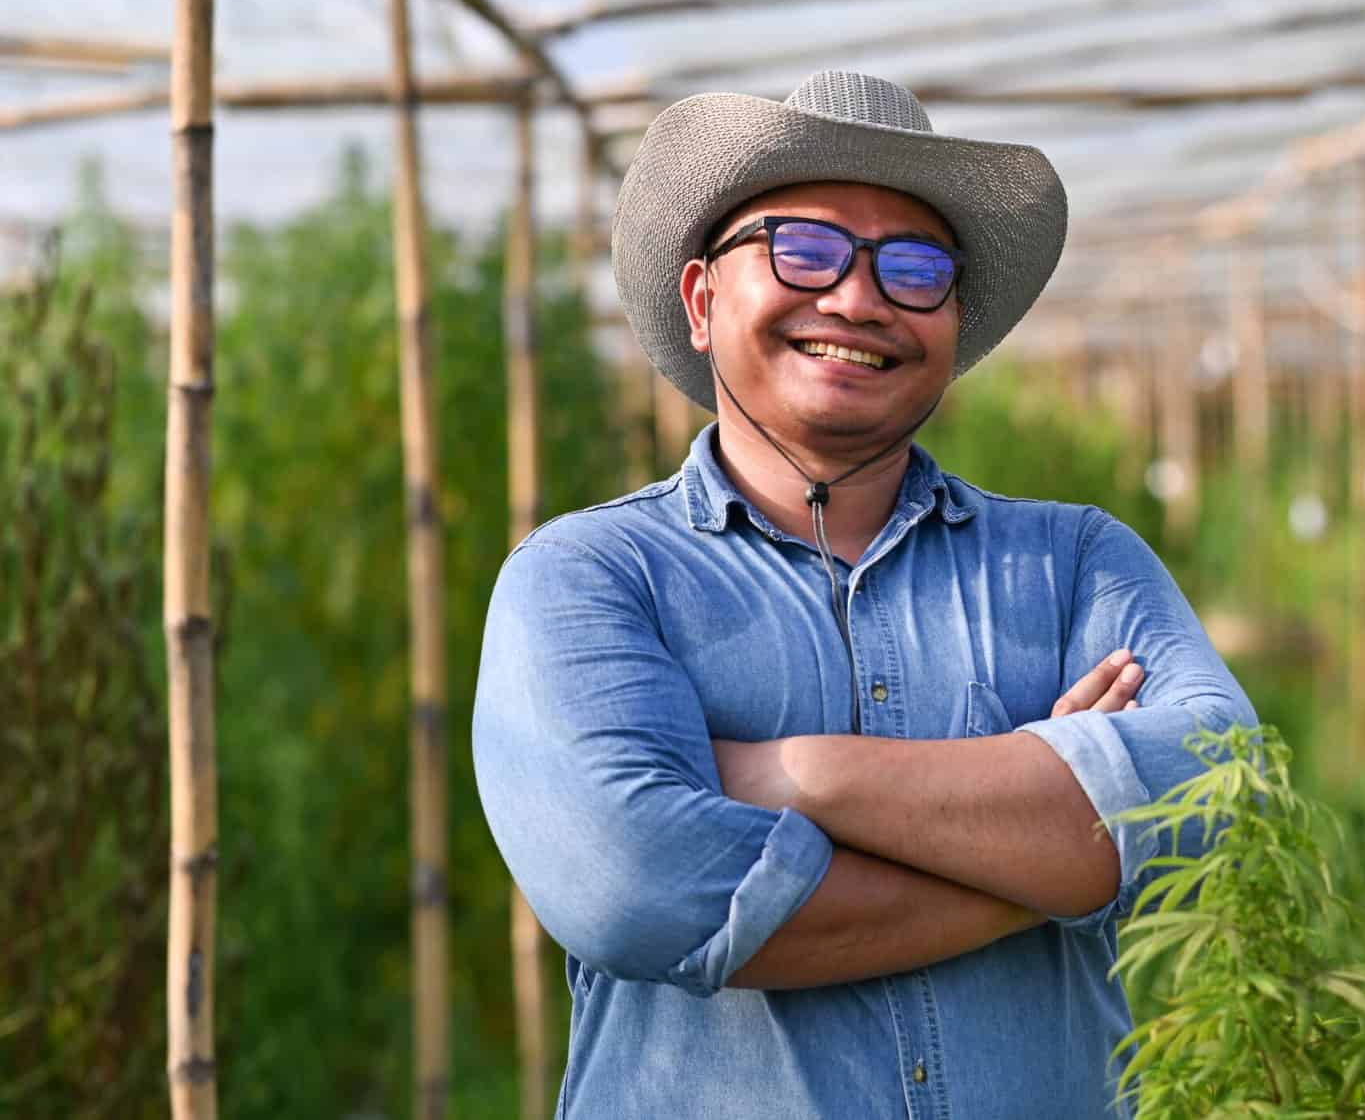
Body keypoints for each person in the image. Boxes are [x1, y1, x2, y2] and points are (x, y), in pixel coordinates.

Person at [473, 70, 1257, 1118]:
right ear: (703, 299)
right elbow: (634, 882)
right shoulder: (591, 578)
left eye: (914, 266)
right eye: (801, 248)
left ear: (953, 319)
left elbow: (1217, 794)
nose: (855, 297)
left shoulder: (1075, 563)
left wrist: (794, 775)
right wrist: (1047, 854)